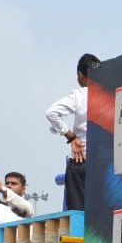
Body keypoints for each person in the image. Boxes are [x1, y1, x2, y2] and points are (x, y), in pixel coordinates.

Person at [45, 53, 98, 212]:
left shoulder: (79, 96)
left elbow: (51, 113)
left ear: (80, 75)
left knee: (78, 213)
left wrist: (71, 137)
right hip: (106, 162)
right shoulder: (112, 94)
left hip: (81, 159)